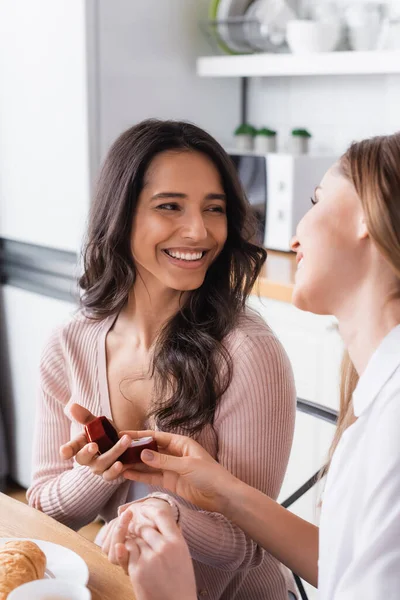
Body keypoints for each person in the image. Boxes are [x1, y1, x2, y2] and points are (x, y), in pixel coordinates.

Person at [111, 131, 400, 600]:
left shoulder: (392, 431)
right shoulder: (379, 401)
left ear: (366, 214)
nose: (293, 234)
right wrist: (223, 491)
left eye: (317, 198)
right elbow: (345, 565)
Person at [27, 119, 297, 599]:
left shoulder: (247, 352)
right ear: (121, 214)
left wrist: (165, 511)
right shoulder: (70, 344)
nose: (198, 231)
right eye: (169, 206)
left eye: (214, 209)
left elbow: (252, 545)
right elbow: (44, 511)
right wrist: (97, 471)